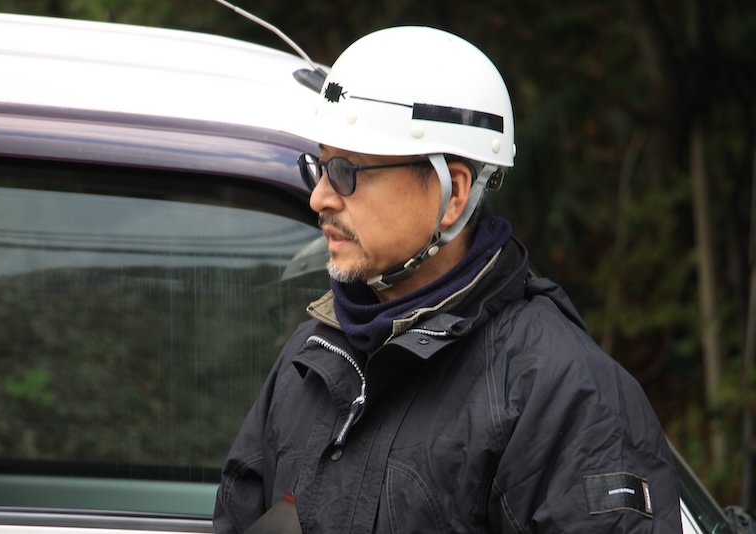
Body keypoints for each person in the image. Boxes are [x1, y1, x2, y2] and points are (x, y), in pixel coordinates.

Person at [214, 26, 681, 533]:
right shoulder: (310, 358)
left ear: (452, 192)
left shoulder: (560, 389)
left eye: (347, 171)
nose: (319, 197)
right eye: (321, 167)